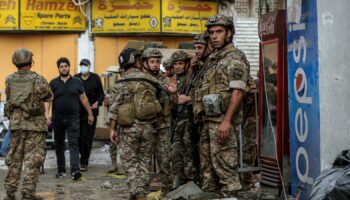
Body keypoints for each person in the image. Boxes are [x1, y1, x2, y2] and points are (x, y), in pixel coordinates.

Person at [109, 48, 177, 200]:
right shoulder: (152, 81)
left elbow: (114, 107)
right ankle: (142, 193)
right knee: (144, 162)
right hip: (149, 128)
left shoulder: (122, 81)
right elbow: (164, 103)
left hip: (129, 130)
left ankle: (138, 194)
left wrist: (112, 129)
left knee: (130, 163)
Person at [195, 14, 250, 197]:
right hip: (208, 122)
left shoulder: (234, 58)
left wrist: (226, 121)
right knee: (208, 174)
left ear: (229, 33)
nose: (214, 36)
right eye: (211, 33)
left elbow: (238, 91)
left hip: (222, 124)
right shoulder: (214, 59)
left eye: (219, 32)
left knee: (227, 174)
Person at [3, 48, 52, 200]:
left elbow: (9, 99)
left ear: (15, 62)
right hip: (35, 126)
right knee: (33, 160)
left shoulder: (9, 79)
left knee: (15, 159)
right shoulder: (38, 79)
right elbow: (49, 96)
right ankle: (27, 193)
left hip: (16, 125)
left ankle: (10, 193)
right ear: (31, 61)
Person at [49, 57, 94, 181]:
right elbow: (48, 100)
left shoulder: (77, 81)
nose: (64, 68)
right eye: (61, 66)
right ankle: (61, 170)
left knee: (73, 143)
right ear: (58, 68)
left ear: (69, 67)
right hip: (57, 118)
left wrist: (90, 113)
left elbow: (83, 98)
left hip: (73, 117)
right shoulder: (53, 83)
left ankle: (75, 170)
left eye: (66, 66)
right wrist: (46, 116)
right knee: (59, 145)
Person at [141, 49, 177, 194]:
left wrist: (173, 93)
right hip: (146, 127)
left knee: (165, 160)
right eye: (152, 61)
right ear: (145, 63)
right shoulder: (141, 80)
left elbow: (175, 102)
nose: (155, 65)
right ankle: (143, 191)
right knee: (144, 161)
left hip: (163, 126)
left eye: (157, 61)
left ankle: (167, 191)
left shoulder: (166, 80)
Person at [170, 50, 199, 188]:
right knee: (176, 152)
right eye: (175, 64)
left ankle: (190, 181)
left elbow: (200, 94)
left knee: (189, 152)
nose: (177, 67)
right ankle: (179, 179)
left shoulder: (193, 77)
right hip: (175, 121)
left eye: (180, 63)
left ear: (186, 64)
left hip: (189, 120)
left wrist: (188, 98)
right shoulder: (171, 79)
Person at [74, 58, 105, 171]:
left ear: (89, 66)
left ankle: (84, 161)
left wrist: (98, 102)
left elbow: (101, 94)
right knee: (78, 137)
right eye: (81, 65)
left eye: (85, 65)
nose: (83, 67)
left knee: (87, 137)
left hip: (91, 113)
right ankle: (82, 154)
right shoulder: (75, 78)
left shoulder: (95, 78)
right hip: (77, 112)